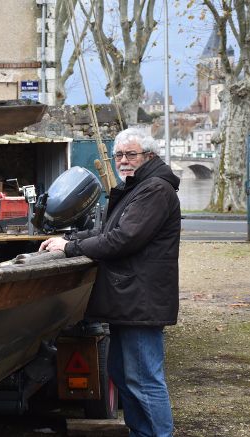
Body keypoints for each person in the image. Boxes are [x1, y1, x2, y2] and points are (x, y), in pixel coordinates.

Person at [40, 127, 180, 437]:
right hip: (130, 298)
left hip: (141, 300)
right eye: (118, 155)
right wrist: (68, 238)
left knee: (144, 379)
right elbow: (107, 232)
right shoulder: (138, 188)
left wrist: (71, 248)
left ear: (150, 156)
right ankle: (141, 432)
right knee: (122, 373)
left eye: (131, 154)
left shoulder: (155, 190)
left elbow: (122, 240)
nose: (123, 160)